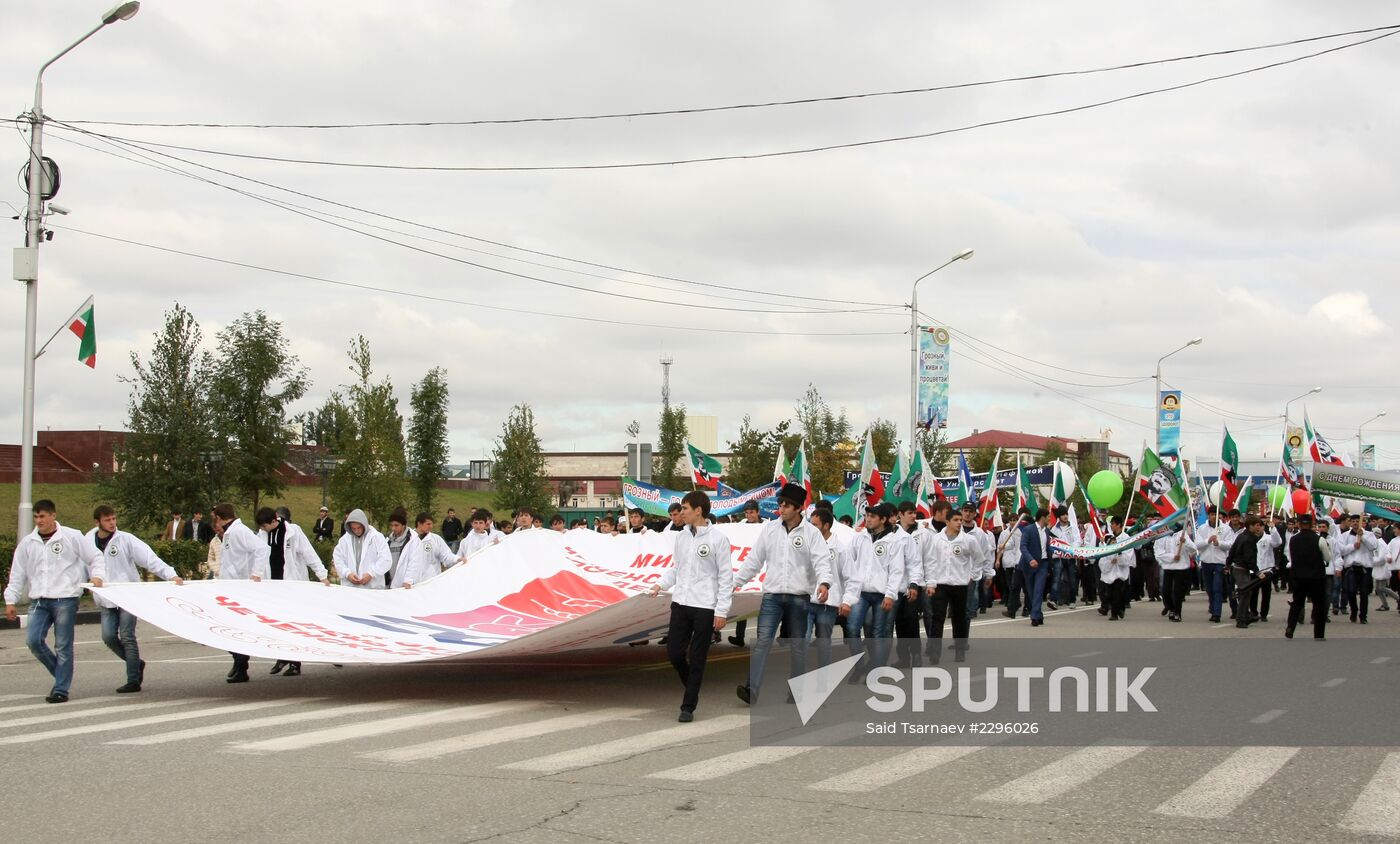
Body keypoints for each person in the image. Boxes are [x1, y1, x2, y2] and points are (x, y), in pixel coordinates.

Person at [733, 483, 832, 704]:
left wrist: (824, 582)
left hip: (799, 597)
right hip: (772, 596)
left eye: (786, 504)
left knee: (798, 647)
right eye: (780, 503)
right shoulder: (769, 530)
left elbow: (821, 560)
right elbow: (754, 559)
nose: (781, 508)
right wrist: (736, 582)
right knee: (762, 643)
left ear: (798, 508)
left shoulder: (811, 533)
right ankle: (751, 689)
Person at [4, 500, 102, 703]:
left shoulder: (71, 536)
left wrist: (97, 575)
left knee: (63, 645)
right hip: (40, 600)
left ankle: (61, 689)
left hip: (65, 598)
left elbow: (94, 557)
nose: (39, 521)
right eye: (36, 517)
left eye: (43, 516)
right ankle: (61, 674)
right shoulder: (28, 543)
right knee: (33, 641)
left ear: (53, 516)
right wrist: (10, 600)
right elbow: (17, 573)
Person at [648, 491, 733, 722]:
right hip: (681, 603)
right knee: (674, 653)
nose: (681, 513)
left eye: (685, 509)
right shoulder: (681, 537)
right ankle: (692, 684)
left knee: (697, 657)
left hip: (705, 606)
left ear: (698, 510)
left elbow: (726, 578)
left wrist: (721, 611)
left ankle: (688, 706)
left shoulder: (718, 539)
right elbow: (677, 568)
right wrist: (659, 584)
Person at [88, 504, 183, 693]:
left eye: (114, 519)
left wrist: (171, 575)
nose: (112, 523)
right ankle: (136, 663)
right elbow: (80, 563)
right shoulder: (87, 541)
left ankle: (133, 680)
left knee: (127, 636)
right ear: (97, 522)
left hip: (127, 596)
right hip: (105, 597)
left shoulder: (125, 539)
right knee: (108, 637)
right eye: (107, 520)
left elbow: (149, 558)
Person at [256, 506, 330, 677]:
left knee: (292, 625)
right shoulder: (262, 534)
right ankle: (281, 657)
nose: (263, 529)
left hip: (291, 586)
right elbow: (258, 557)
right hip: (272, 586)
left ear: (274, 520)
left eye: (266, 526)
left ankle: (295, 663)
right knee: (276, 625)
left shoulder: (293, 531)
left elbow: (309, 553)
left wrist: (322, 575)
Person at [211, 503, 270, 683]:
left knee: (234, 628)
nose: (215, 523)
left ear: (220, 518)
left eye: (215, 519)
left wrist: (256, 574)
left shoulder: (239, 531)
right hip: (230, 586)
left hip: (241, 587)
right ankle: (239, 663)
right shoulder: (228, 534)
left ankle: (241, 665)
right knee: (227, 628)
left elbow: (262, 549)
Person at [844, 503, 901, 676]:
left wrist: (890, 595)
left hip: (882, 593)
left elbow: (897, 570)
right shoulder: (860, 538)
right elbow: (847, 561)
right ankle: (859, 666)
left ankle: (875, 670)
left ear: (883, 519)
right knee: (853, 629)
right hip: (861, 592)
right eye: (867, 516)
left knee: (878, 632)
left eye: (872, 517)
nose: (868, 519)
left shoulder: (893, 541)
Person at [925, 509, 981, 662]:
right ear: (947, 522)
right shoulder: (936, 539)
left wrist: (973, 576)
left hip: (960, 585)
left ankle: (960, 649)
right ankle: (935, 652)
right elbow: (930, 561)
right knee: (938, 617)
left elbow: (979, 558)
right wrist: (930, 582)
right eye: (955, 520)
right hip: (940, 584)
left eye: (960, 520)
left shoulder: (968, 540)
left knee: (959, 619)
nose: (959, 523)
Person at [807, 508, 855, 670]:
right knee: (802, 638)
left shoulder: (839, 548)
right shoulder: (806, 544)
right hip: (807, 599)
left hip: (829, 602)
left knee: (823, 640)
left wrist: (847, 600)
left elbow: (850, 577)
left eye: (815, 525)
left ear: (826, 526)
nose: (811, 528)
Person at [1285, 513, 1333, 640]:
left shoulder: (1293, 539)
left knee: (1297, 603)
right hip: (1316, 576)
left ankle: (1290, 628)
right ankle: (1319, 634)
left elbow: (1292, 557)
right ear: (1312, 524)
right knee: (1318, 605)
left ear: (1299, 524)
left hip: (1298, 576)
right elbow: (1327, 558)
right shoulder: (1320, 539)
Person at [333, 509, 392, 589]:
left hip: (373, 588)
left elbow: (386, 559)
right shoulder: (344, 540)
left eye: (359, 527)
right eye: (353, 528)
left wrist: (371, 574)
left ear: (364, 524)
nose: (356, 531)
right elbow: (338, 559)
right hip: (350, 587)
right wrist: (347, 574)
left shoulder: (376, 537)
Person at [1226, 515, 1267, 628]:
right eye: (1257, 525)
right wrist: (1258, 572)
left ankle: (1246, 615)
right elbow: (1250, 559)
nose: (1259, 527)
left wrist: (1228, 564)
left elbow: (1232, 551)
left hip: (1237, 568)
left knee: (1246, 593)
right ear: (1250, 526)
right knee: (1245, 594)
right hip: (1241, 569)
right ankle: (1241, 619)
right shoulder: (1249, 539)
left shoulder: (1242, 535)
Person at [1338, 513, 1379, 624]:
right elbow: (1341, 550)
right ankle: (1354, 610)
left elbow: (1374, 546)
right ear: (1350, 523)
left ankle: (1363, 615)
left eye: (1358, 521)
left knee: (1364, 593)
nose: (1356, 523)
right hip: (1351, 568)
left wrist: (1363, 537)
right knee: (1351, 592)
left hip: (1365, 568)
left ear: (1363, 523)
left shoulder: (1369, 534)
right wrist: (1353, 546)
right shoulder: (1345, 535)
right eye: (1353, 521)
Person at [1197, 505, 1235, 623]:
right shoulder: (1202, 528)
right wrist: (1207, 541)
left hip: (1220, 562)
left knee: (1217, 587)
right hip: (1206, 561)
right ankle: (1213, 608)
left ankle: (1217, 614)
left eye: (1216, 515)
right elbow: (1197, 544)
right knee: (1209, 588)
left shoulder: (1226, 529)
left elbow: (1230, 544)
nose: (1214, 517)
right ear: (1209, 515)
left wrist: (1219, 543)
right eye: (1212, 514)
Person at [1155, 525, 1197, 623]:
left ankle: (1177, 612)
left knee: (1177, 592)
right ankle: (1171, 608)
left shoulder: (1182, 534)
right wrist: (1172, 557)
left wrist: (1185, 542)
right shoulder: (1162, 536)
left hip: (1180, 567)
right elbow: (1158, 552)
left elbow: (1193, 550)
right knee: (1165, 591)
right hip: (1168, 567)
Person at [1018, 509, 1052, 627]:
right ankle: (1039, 614)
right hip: (1029, 565)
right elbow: (1023, 546)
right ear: (1042, 517)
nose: (1049, 519)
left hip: (1043, 564)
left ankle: (1034, 617)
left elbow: (1048, 548)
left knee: (1038, 590)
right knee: (1031, 592)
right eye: (1048, 517)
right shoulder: (1029, 529)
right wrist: (1030, 559)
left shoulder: (1047, 531)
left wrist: (1049, 565)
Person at [409, 513, 459, 587]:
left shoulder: (436, 539)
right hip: (412, 584)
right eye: (428, 524)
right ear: (419, 524)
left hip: (432, 582)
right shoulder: (409, 539)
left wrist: (456, 559)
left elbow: (446, 555)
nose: (431, 526)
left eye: (431, 524)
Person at [1100, 516, 1134, 620]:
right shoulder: (1108, 538)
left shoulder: (1126, 538)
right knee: (1109, 594)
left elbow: (1129, 555)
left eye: (1113, 523)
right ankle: (1119, 608)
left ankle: (1114, 614)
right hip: (1110, 570)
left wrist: (1119, 557)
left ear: (1119, 525)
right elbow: (1103, 552)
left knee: (1117, 592)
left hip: (1120, 571)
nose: (1111, 525)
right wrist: (1103, 544)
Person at [384, 508, 418, 589]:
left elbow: (414, 562)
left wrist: (408, 580)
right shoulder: (388, 541)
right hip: (389, 586)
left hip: (405, 586)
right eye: (391, 525)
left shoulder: (413, 540)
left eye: (396, 525)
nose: (393, 528)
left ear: (404, 525)